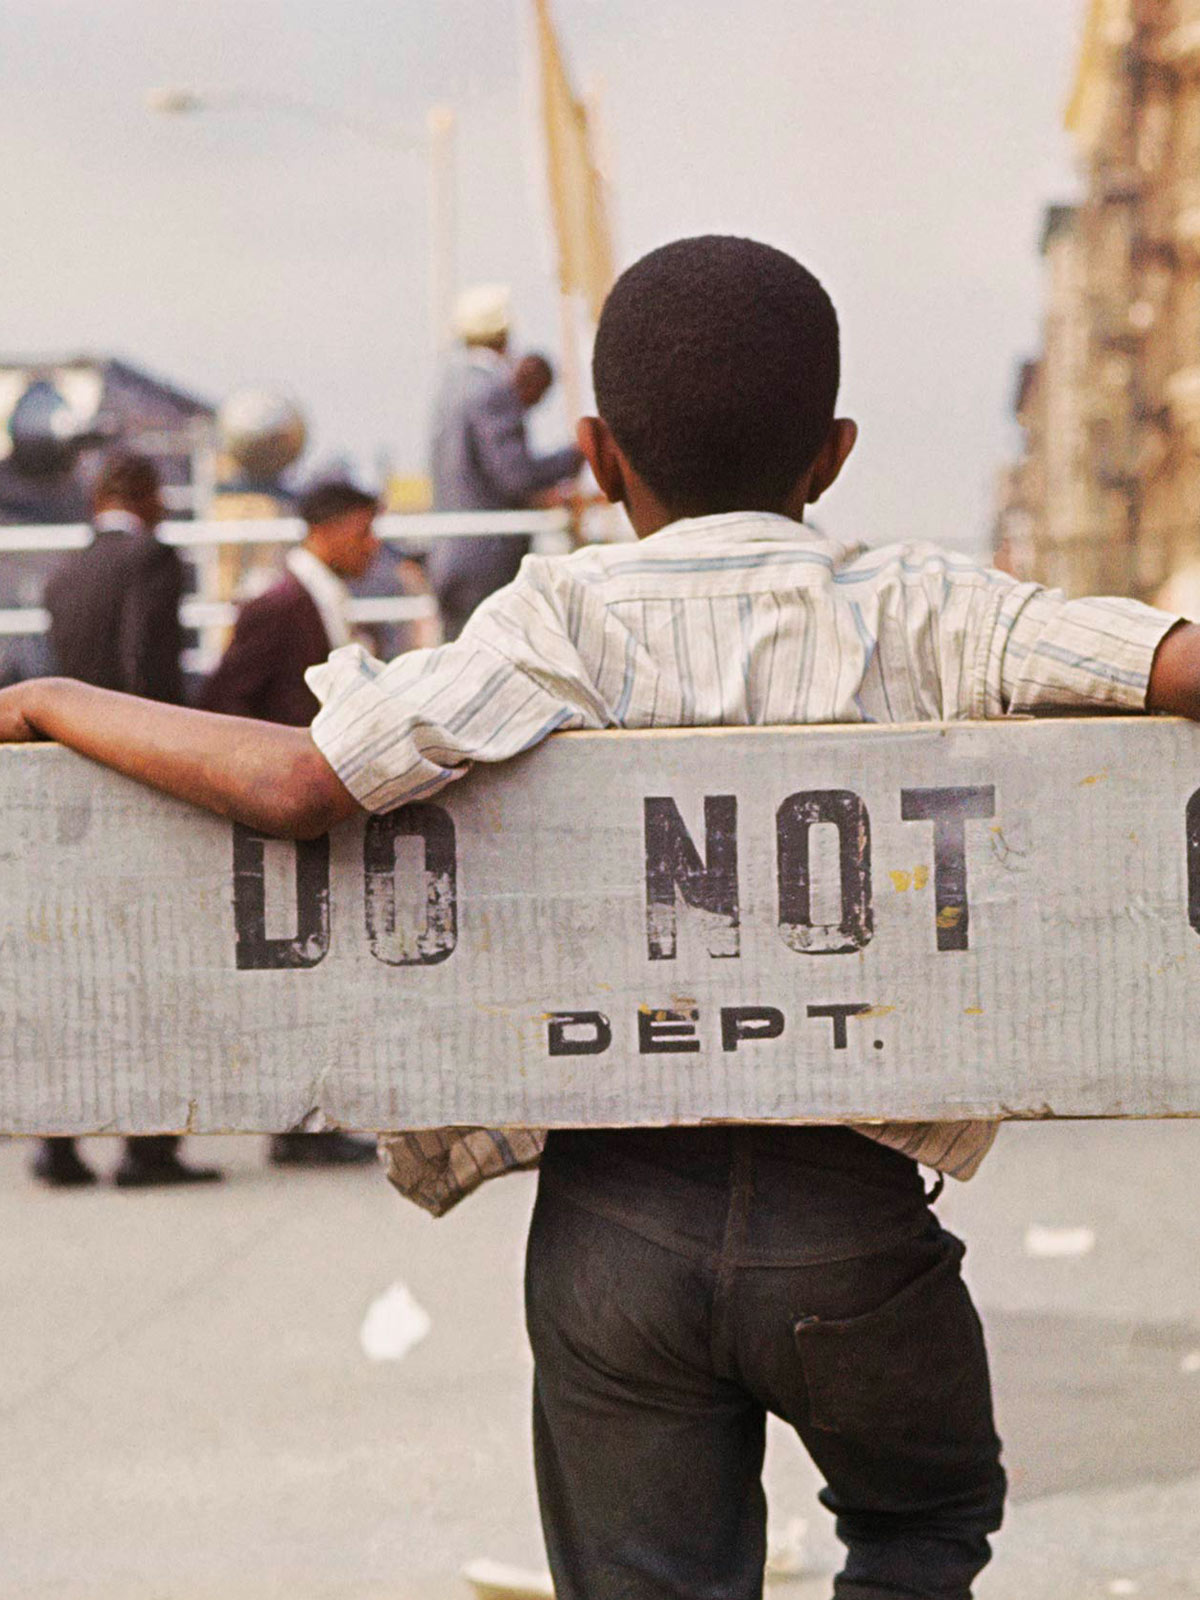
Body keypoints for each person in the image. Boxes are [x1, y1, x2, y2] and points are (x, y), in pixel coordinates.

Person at [4, 235, 1200, 1595]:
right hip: (857, 1226)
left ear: (594, 449)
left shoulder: (556, 617)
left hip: (613, 1232)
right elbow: (1169, 663)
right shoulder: (930, 603)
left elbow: (293, 782)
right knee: (927, 1518)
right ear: (835, 452)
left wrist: (53, 702)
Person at [35, 449, 220, 1188]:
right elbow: (150, 674)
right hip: (139, 783)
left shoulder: (63, 573)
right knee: (156, 967)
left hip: (72, 795)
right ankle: (148, 1147)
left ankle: (58, 1140)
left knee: (74, 969)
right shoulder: (153, 560)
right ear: (142, 496)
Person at [200, 477, 382, 1167]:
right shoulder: (280, 605)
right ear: (331, 529)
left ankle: (309, 1121)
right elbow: (224, 698)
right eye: (365, 531)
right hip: (282, 811)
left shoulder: (320, 599)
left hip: (312, 809)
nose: (373, 546)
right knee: (293, 967)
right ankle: (298, 1124)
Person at [428, 284, 582, 638]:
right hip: (487, 558)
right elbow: (516, 477)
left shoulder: (450, 384)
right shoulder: (492, 388)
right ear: (505, 332)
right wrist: (577, 454)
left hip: (451, 556)